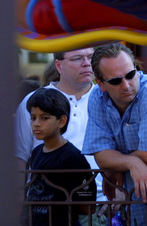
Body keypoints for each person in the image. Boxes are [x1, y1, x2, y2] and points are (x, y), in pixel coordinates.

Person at [82, 43, 147, 225]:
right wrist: (130, 162)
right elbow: (101, 156)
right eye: (116, 81)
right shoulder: (96, 97)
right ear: (100, 84)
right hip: (129, 204)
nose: (126, 85)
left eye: (131, 75)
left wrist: (117, 164)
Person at [16, 48, 103, 200]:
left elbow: (122, 150)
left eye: (91, 57)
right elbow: (18, 156)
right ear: (58, 65)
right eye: (77, 58)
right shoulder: (34, 100)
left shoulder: (107, 99)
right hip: (45, 205)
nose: (87, 63)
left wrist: (119, 192)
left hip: (100, 204)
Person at [25, 88, 96, 226]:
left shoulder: (72, 157)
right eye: (33, 117)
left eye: (44, 118)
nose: (36, 123)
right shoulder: (37, 152)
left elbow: (87, 206)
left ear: (61, 121)